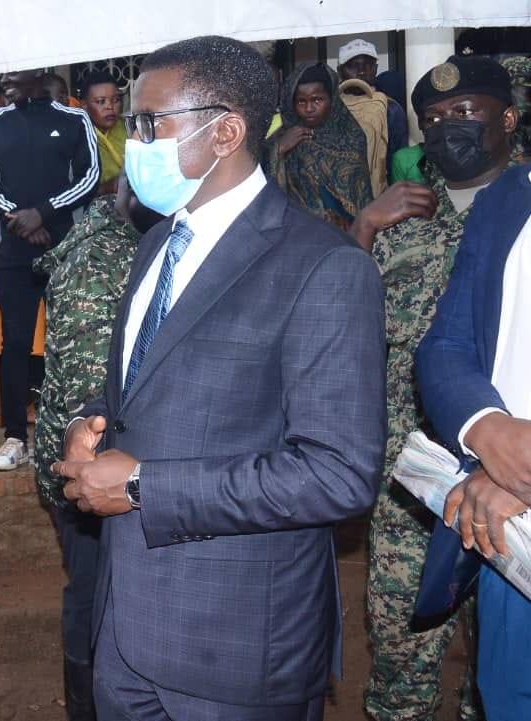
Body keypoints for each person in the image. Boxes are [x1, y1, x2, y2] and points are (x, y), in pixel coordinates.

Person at [53, 36, 386, 721]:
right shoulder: (157, 243)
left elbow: (339, 473)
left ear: (227, 132)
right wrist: (90, 423)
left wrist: (143, 486)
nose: (133, 142)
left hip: (234, 649)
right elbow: (139, 387)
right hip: (126, 628)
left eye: (150, 123)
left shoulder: (322, 268)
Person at [350, 55, 518, 721]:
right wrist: (363, 228)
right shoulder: (401, 219)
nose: (450, 126)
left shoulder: (523, 213)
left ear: (509, 119)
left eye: (467, 111)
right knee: (401, 672)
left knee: (502, 679)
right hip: (412, 488)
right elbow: (338, 333)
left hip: (514, 488)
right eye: (436, 117)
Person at [32, 172, 162, 721]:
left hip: (131, 471)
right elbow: (92, 405)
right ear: (124, 186)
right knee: (94, 596)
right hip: (88, 473)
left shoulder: (143, 243)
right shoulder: (98, 261)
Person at [415, 160, 531, 721]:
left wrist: (521, 472)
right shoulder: (509, 196)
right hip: (512, 539)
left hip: (509, 495)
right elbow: (447, 344)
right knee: (510, 697)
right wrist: (488, 430)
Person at [0, 66, 99, 471]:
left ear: (40, 72)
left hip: (65, 250)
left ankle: (71, 434)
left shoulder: (74, 119)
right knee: (15, 345)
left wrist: (42, 213)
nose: (5, 80)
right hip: (14, 252)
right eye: (3, 74)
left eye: (14, 72)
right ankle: (15, 438)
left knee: (71, 342)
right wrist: (20, 220)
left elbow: (90, 177)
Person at [268, 62, 374, 230]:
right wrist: (278, 150)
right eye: (301, 102)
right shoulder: (279, 139)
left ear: (332, 99)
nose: (309, 108)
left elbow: (359, 195)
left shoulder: (351, 136)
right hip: (295, 233)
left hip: (347, 234)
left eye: (317, 99)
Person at [338, 39, 409, 184]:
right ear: (340, 71)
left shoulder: (390, 109)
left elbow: (397, 159)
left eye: (368, 65)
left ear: (375, 69)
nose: (361, 71)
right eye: (353, 66)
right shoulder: (329, 106)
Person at [79, 71, 127, 196]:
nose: (110, 106)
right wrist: (109, 187)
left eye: (116, 100)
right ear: (84, 105)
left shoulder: (130, 127)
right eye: (101, 101)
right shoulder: (77, 136)